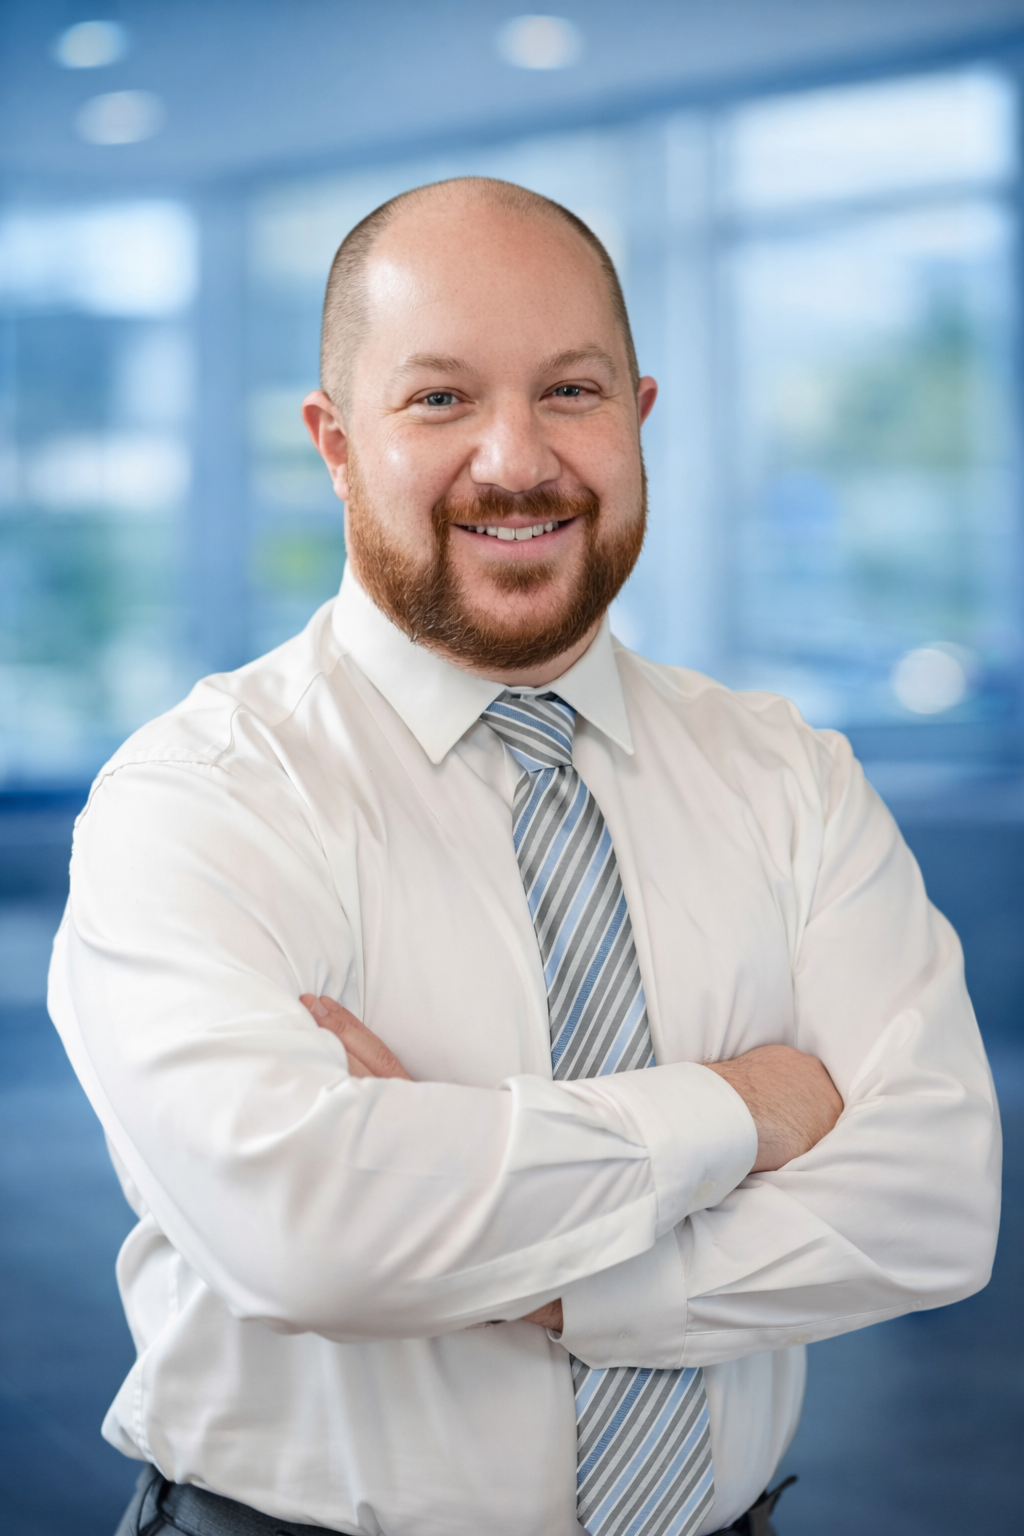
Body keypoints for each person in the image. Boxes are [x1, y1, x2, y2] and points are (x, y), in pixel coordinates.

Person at [50, 177, 1000, 1536]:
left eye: (571, 391)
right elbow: (306, 1231)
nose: (516, 461)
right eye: (439, 399)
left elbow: (933, 1205)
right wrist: (745, 1109)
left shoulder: (789, 774)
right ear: (333, 441)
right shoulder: (200, 798)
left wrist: (500, 1257)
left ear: (640, 417)